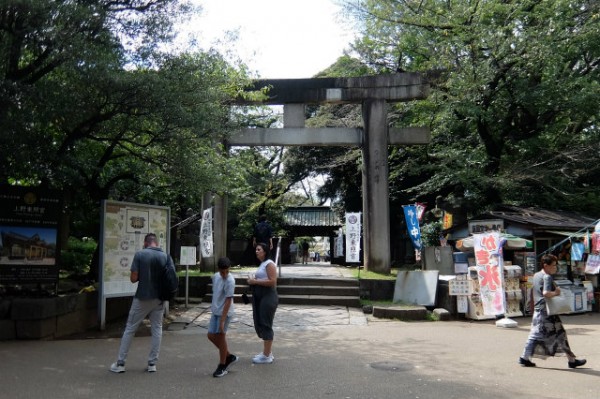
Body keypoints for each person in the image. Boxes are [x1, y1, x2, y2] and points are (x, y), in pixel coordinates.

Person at [110, 233, 175, 373]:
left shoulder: (140, 255)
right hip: (159, 299)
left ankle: (120, 363)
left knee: (130, 328)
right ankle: (152, 364)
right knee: (157, 329)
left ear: (145, 243)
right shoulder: (166, 256)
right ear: (156, 243)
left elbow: (133, 278)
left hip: (142, 298)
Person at [518, 254, 586, 369]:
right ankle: (524, 357)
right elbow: (546, 293)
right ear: (546, 265)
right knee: (537, 335)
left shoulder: (536, 275)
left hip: (540, 310)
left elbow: (534, 293)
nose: (556, 267)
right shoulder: (547, 277)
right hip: (546, 311)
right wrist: (556, 293)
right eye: (554, 265)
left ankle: (571, 360)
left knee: (559, 334)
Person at [247, 242, 278, 364]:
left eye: (259, 249)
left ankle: (266, 356)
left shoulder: (269, 264)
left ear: (264, 251)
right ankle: (267, 352)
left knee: (266, 324)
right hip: (261, 296)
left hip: (268, 296)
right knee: (261, 322)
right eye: (256, 249)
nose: (256, 251)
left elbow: (272, 281)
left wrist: (255, 281)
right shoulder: (262, 264)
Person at [207, 257, 239, 378]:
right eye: (222, 272)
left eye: (227, 271)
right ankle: (229, 356)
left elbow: (228, 301)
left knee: (221, 337)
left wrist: (222, 320)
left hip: (225, 313)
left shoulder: (230, 281)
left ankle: (222, 365)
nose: (224, 274)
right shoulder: (216, 277)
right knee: (210, 335)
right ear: (218, 270)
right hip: (215, 311)